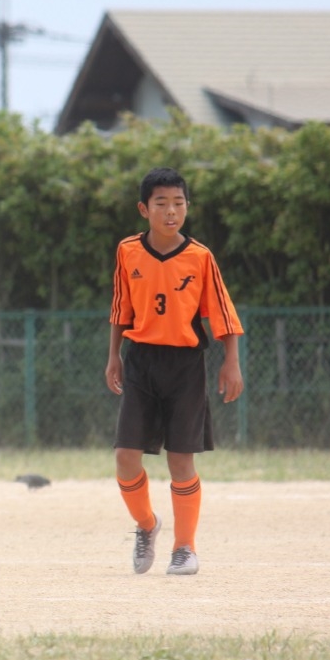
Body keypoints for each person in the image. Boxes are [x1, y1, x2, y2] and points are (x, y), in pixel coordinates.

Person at [104, 167, 244, 576]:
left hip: (185, 366)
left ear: (187, 207)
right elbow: (121, 307)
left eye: (178, 203)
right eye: (161, 203)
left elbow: (222, 312)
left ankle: (185, 548)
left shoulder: (200, 256)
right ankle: (147, 525)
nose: (171, 212)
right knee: (125, 457)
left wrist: (231, 361)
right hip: (140, 361)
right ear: (143, 209)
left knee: (181, 461)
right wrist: (114, 356)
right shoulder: (128, 251)